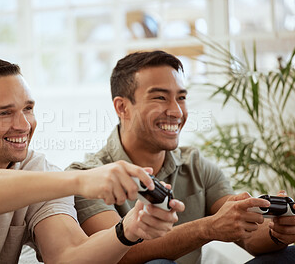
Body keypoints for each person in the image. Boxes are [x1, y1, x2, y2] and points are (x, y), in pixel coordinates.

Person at [0, 58, 185, 264]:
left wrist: (128, 230)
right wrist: (82, 180)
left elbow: (68, 256)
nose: (23, 125)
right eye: (4, 113)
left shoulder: (39, 171)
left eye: (28, 109)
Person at [66, 50, 295, 264]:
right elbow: (121, 254)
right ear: (122, 107)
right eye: (160, 98)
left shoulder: (196, 165)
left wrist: (278, 232)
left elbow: (247, 236)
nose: (176, 111)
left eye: (181, 97)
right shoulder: (86, 177)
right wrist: (208, 228)